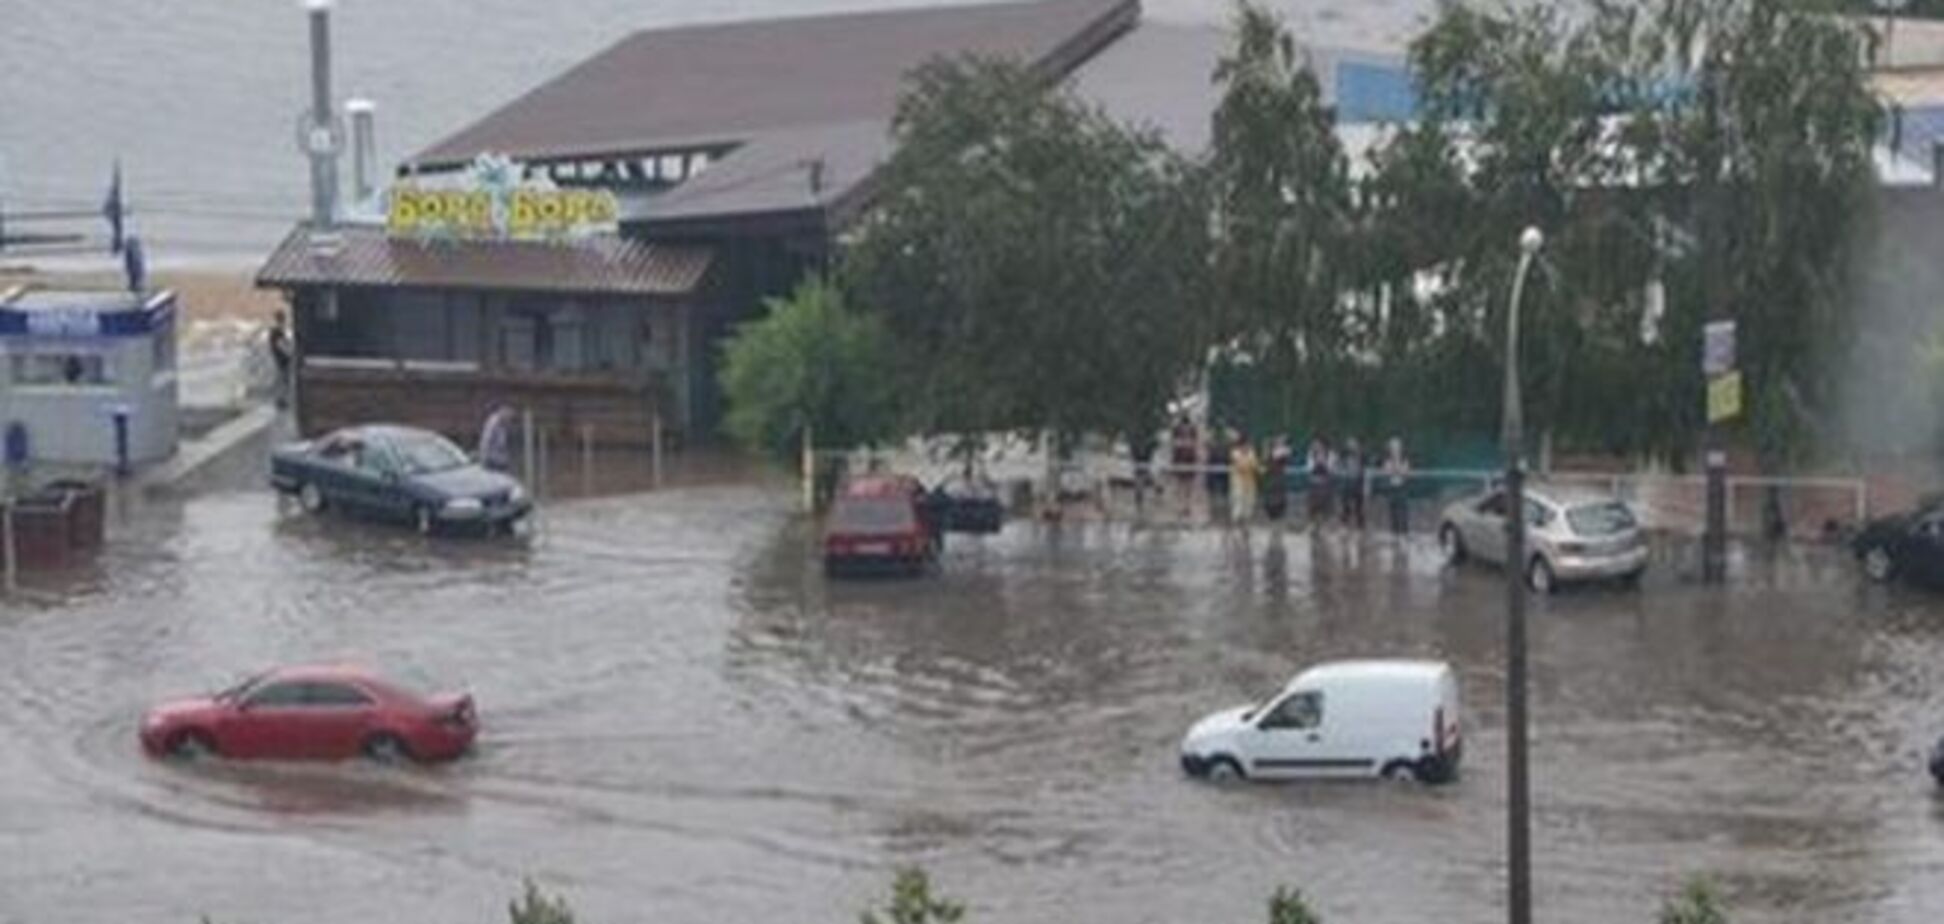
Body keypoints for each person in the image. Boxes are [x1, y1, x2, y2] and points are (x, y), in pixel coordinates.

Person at [1381, 436, 1412, 535]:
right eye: (1392, 447)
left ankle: (1404, 533)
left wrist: (1397, 468)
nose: (1394, 450)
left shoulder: (1404, 459)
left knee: (1403, 513)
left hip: (1402, 488)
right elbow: (1386, 471)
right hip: (1392, 488)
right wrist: (1395, 469)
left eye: (1396, 447)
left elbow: (1405, 472)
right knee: (1392, 513)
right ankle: (1394, 533)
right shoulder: (1387, 460)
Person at [478, 404, 516, 473]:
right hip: (492, 459)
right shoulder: (493, 423)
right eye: (509, 416)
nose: (509, 419)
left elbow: (502, 441)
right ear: (503, 412)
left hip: (499, 458)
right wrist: (484, 457)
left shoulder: (503, 423)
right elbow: (486, 441)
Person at [1337, 437, 1366, 529]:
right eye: (1350, 445)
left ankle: (1360, 527)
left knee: (1359, 508)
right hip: (1347, 483)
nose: (1352, 447)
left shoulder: (1361, 456)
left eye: (1353, 444)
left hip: (1358, 484)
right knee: (1346, 507)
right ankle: (1344, 526)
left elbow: (1364, 470)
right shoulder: (1344, 456)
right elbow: (1339, 466)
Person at [1230, 434, 1260, 523]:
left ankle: (1245, 529)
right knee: (1237, 506)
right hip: (1238, 484)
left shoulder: (1251, 453)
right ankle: (1233, 530)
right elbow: (1242, 466)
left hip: (1250, 484)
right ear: (1241, 445)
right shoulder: (1235, 453)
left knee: (1248, 506)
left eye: (1249, 445)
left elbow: (1255, 466)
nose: (1248, 446)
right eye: (1246, 445)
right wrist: (1250, 463)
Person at [1204, 428, 1231, 522]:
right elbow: (1206, 444)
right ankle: (1214, 514)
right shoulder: (1212, 444)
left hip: (1224, 472)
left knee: (1224, 494)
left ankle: (1224, 514)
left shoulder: (1226, 444)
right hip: (1213, 472)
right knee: (1213, 494)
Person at [267, 312, 293, 409]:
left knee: (281, 381)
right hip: (281, 361)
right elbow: (282, 346)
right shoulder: (277, 332)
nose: (284, 322)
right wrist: (291, 354)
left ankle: (281, 400)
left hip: (279, 360)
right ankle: (281, 401)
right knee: (283, 381)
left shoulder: (276, 332)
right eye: (283, 320)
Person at [1305, 437, 1333, 526]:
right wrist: (1316, 461)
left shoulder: (1330, 454)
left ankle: (1322, 527)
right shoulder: (1311, 455)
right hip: (1314, 484)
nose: (1315, 446)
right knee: (1312, 509)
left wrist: (1323, 461)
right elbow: (1309, 469)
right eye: (1314, 445)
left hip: (1325, 485)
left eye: (1317, 444)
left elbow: (1330, 469)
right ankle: (1314, 526)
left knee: (1325, 509)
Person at [1263, 437, 1291, 521]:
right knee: (1270, 503)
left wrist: (1274, 445)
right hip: (1271, 478)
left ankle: (1278, 526)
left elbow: (1278, 455)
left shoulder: (1285, 450)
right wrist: (1267, 446)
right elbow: (1265, 459)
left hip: (1279, 478)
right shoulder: (1270, 450)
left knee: (1280, 502)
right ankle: (1273, 525)